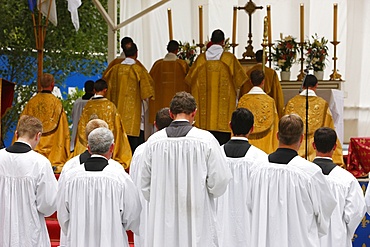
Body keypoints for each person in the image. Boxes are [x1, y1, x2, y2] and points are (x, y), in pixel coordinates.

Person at [141, 92, 232, 247]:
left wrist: (162, 198)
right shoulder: (206, 140)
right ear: (194, 112)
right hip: (197, 213)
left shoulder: (154, 142)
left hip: (164, 217)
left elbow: (145, 184)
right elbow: (220, 181)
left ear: (170, 113)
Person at [247, 114, 336, 247]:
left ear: (277, 136)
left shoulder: (257, 168)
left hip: (265, 240)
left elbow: (250, 204)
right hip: (299, 240)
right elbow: (325, 210)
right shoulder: (310, 172)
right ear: (301, 138)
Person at [57, 127, 141, 247]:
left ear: (89, 148)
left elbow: (63, 215)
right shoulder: (120, 177)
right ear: (112, 147)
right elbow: (133, 215)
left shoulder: (70, 178)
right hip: (112, 240)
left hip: (79, 240)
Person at [0, 115, 58, 247]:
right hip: (29, 233)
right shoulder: (41, 163)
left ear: (16, 134)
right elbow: (48, 204)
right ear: (38, 136)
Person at [184, 29, 248, 145]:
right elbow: (241, 81)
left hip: (204, 121)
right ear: (223, 42)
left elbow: (189, 80)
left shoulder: (200, 60)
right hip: (224, 120)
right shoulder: (229, 59)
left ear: (211, 41)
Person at [215, 107, 267, 247]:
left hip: (220, 226)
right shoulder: (261, 159)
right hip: (248, 227)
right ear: (252, 129)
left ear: (230, 125)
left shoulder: (216, 155)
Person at [312, 127, 365, 247]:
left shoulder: (302, 177)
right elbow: (356, 212)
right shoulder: (347, 179)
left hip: (308, 240)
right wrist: (343, 231)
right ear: (335, 147)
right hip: (337, 240)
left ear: (313, 145)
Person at [129, 107, 172, 247]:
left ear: (155, 124)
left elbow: (133, 181)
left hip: (145, 207)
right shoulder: (180, 149)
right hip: (169, 208)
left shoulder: (141, 150)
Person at [104, 42, 155, 153]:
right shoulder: (139, 70)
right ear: (136, 53)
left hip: (117, 115)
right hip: (134, 119)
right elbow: (147, 93)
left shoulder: (114, 70)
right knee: (134, 150)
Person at [14, 73, 70, 173]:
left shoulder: (32, 102)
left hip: (33, 149)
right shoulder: (56, 103)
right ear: (52, 85)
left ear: (40, 84)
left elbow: (22, 123)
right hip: (53, 154)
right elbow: (63, 129)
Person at [284, 74, 344, 166]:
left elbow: (284, 127)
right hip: (316, 150)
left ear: (303, 86)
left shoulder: (291, 103)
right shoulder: (322, 104)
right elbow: (328, 129)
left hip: (295, 148)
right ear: (316, 85)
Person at [73, 79, 132, 169]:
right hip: (105, 147)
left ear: (94, 90)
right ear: (105, 90)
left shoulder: (88, 106)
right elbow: (116, 128)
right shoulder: (110, 106)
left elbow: (81, 127)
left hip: (90, 145)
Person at [237, 69, 279, 154]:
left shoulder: (243, 100)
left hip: (245, 150)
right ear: (263, 81)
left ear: (250, 82)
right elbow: (275, 127)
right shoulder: (270, 101)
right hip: (266, 150)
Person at [148, 40, 190, 124]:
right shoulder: (182, 65)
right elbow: (190, 82)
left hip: (160, 105)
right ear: (177, 50)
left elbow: (149, 82)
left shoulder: (157, 65)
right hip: (178, 106)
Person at [240, 49, 284, 118]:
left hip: (249, 111)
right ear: (266, 59)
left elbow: (242, 93)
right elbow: (277, 94)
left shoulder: (248, 73)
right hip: (267, 109)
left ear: (255, 59)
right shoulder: (271, 73)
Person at [70, 80, 95, 151]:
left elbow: (73, 115)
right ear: (94, 90)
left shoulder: (77, 102)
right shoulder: (94, 103)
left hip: (76, 132)